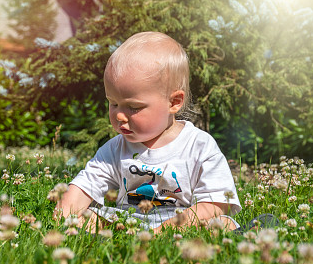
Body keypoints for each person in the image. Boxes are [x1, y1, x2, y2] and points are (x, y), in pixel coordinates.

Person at [54, 31, 242, 233]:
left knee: (221, 222)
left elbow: (216, 203)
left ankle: (254, 229)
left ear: (174, 102)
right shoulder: (115, 149)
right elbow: (85, 186)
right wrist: (65, 212)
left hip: (182, 223)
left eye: (133, 107)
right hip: (127, 223)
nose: (119, 115)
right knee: (87, 219)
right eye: (114, 103)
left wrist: (165, 230)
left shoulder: (199, 146)